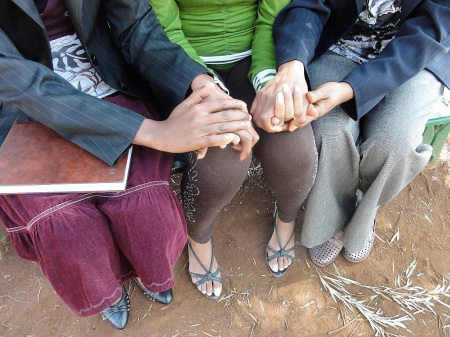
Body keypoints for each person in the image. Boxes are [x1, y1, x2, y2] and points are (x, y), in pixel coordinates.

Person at [0, 0, 252, 330]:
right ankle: (109, 290)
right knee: (69, 230)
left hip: (104, 77)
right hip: (21, 110)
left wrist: (202, 84)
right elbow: (21, 83)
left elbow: (137, 27)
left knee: (145, 211)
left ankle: (148, 273)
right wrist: (154, 132)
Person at [150, 0, 317, 299]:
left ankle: (287, 217)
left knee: (295, 153)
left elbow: (271, 15)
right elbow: (164, 27)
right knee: (219, 167)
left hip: (260, 54)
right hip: (189, 66)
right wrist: (208, 90)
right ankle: (198, 237)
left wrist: (268, 84)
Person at [266, 0, 449, 266]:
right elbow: (306, 6)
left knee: (396, 141)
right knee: (330, 130)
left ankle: (365, 214)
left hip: (415, 56)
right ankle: (331, 220)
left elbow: (429, 32)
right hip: (342, 42)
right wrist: (292, 63)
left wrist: (350, 89)